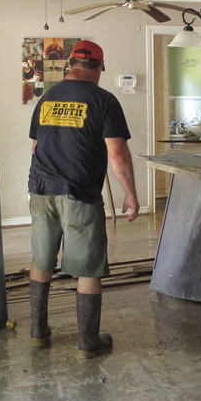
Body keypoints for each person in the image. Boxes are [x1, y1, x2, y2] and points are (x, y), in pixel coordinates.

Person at [27, 40, 140, 358]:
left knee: (42, 259)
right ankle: (88, 341)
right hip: (79, 192)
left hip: (40, 188)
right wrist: (130, 193)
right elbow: (117, 154)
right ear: (100, 68)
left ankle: (38, 332)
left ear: (70, 66)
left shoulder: (47, 98)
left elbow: (35, 147)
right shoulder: (104, 100)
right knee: (88, 267)